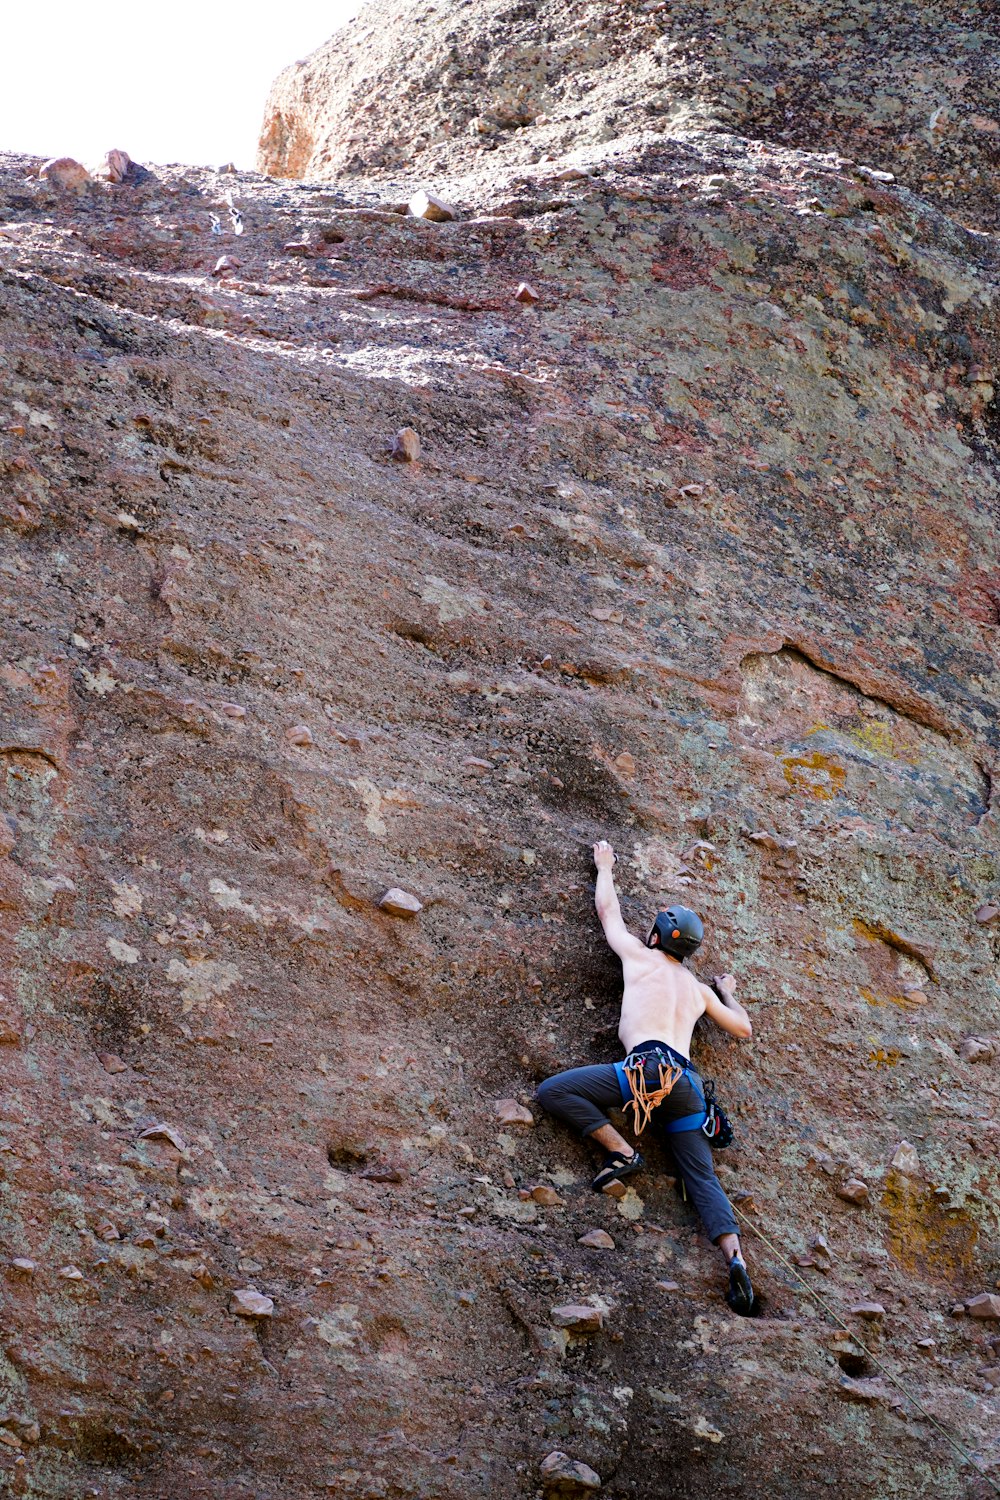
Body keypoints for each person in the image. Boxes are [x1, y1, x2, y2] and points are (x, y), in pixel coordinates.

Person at [536, 839, 756, 1315]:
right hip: (688, 1087)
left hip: (647, 1069)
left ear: (657, 937)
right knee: (702, 1179)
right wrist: (728, 992)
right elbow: (743, 1028)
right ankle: (735, 1258)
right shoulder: (698, 991)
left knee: (554, 1090)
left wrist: (605, 865)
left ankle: (623, 1151)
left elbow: (607, 911)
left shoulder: (639, 957)